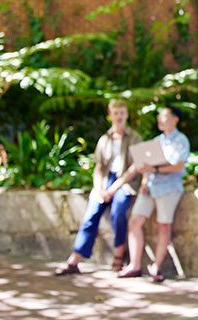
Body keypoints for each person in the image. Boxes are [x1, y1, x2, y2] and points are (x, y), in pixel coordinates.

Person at [55, 99, 142, 275]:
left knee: (119, 211)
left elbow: (135, 168)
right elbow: (99, 167)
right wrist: (100, 188)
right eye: (116, 113)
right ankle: (75, 259)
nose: (119, 117)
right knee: (91, 215)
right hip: (105, 181)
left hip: (125, 182)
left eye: (122, 113)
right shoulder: (104, 139)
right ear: (110, 116)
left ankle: (119, 255)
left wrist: (114, 188)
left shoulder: (135, 138)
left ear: (127, 115)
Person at [109, 104, 190, 282]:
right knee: (135, 222)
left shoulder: (181, 140)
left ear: (175, 119)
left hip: (168, 188)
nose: (160, 120)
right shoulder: (156, 141)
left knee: (164, 226)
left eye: (164, 116)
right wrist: (145, 180)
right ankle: (135, 265)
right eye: (160, 116)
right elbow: (146, 166)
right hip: (150, 187)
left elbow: (179, 165)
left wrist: (156, 169)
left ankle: (156, 267)